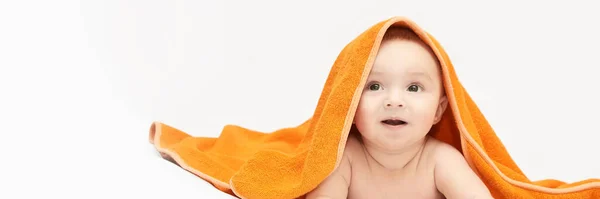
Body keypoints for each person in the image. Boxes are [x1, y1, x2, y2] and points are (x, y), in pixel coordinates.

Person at [305, 26, 494, 199]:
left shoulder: (441, 160)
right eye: (375, 86)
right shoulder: (343, 159)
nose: (394, 101)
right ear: (350, 105)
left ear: (438, 110)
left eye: (413, 88)